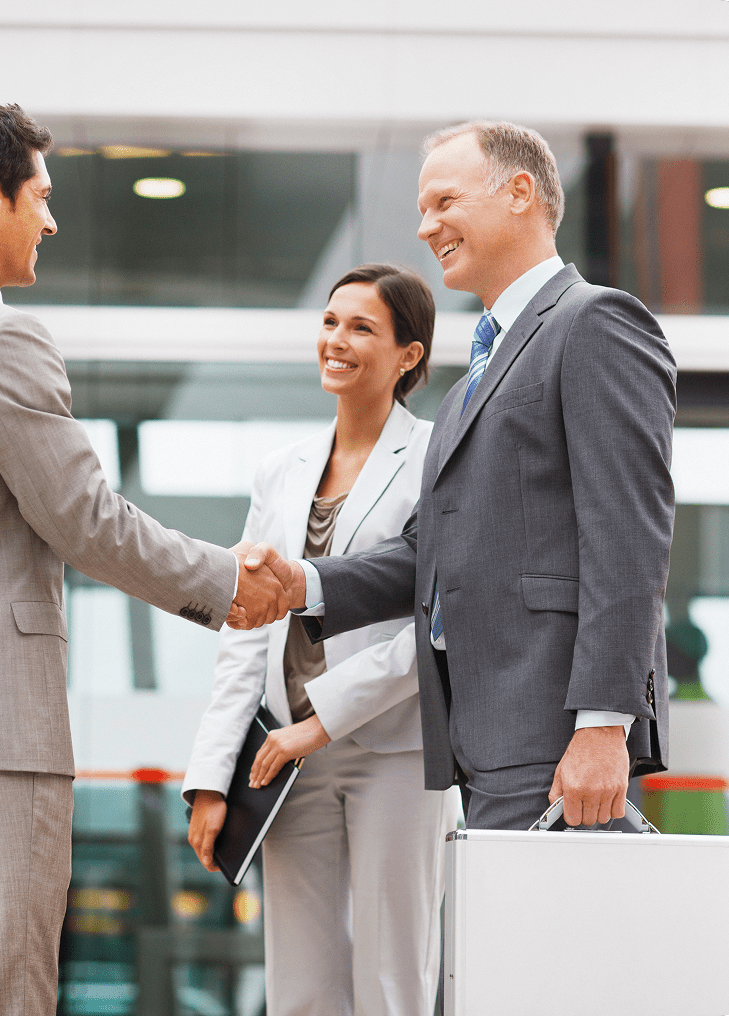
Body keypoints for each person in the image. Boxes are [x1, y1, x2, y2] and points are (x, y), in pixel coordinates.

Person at [0, 98, 287, 1016]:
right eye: (41, 196)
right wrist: (226, 582)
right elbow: (83, 517)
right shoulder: (0, 339)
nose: (51, 218)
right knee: (4, 988)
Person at [239, 120, 676, 832]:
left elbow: (627, 537)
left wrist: (603, 727)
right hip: (483, 738)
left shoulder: (594, 323)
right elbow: (431, 554)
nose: (424, 227)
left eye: (443, 201)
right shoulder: (474, 376)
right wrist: (304, 583)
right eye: (421, 209)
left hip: (553, 731)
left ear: (520, 193)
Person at [184, 264, 457, 1016]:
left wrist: (324, 719)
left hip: (392, 751)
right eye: (331, 322)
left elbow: (436, 618)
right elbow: (246, 630)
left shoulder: (439, 459)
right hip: (282, 757)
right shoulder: (282, 470)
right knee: (300, 986)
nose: (336, 340)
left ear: (409, 355)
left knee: (390, 981)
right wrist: (213, 776)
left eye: (361, 327)